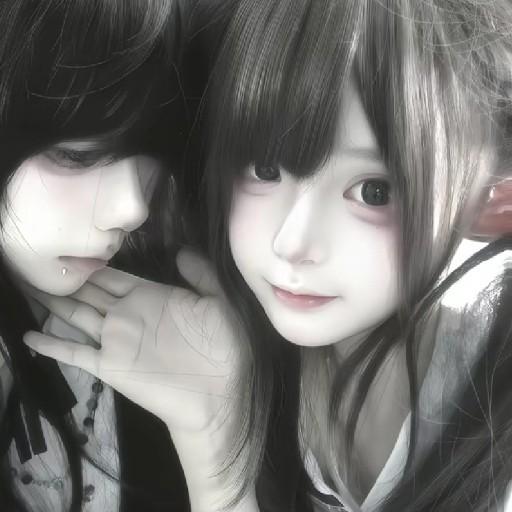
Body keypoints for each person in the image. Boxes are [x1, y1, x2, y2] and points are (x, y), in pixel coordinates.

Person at [24, 0, 512, 511]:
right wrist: (215, 448)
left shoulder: (491, 376)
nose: (291, 243)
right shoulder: (253, 354)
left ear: (487, 190)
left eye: (375, 192)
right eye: (264, 169)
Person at [0, 1, 192, 510]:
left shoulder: (169, 302)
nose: (132, 208)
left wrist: (217, 456)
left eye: (148, 155)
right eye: (76, 154)